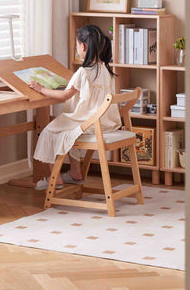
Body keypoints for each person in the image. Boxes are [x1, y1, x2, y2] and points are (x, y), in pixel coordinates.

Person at [28, 24, 122, 189]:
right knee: (68, 132)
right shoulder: (106, 69)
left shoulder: (83, 72)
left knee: (48, 132)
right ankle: (75, 172)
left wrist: (41, 89)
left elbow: (65, 95)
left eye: (77, 45)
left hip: (88, 122)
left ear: (83, 46)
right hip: (105, 123)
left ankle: (54, 178)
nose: (77, 49)